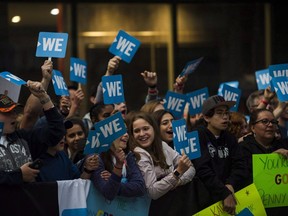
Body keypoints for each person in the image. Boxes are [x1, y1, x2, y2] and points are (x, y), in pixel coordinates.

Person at [128, 111, 195, 216]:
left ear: (154, 129)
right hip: (154, 210)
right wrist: (177, 173)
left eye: (146, 129)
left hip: (173, 207)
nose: (142, 134)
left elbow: (191, 168)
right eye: (137, 131)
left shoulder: (162, 145)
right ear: (132, 135)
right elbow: (153, 192)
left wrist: (177, 181)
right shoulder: (139, 154)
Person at [0, 80, 65, 185]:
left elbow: (56, 132)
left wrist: (43, 97)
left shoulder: (23, 138)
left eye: (14, 111)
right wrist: (20, 175)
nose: (14, 116)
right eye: (7, 112)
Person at [192, 95, 248, 215]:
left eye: (227, 113)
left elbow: (240, 165)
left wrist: (230, 184)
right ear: (207, 117)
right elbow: (202, 169)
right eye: (219, 113)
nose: (225, 117)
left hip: (229, 198)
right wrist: (224, 192)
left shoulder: (230, 138)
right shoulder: (197, 135)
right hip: (204, 203)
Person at [90, 124, 146, 201]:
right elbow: (108, 193)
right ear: (108, 135)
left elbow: (140, 187)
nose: (126, 135)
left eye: (126, 131)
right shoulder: (95, 157)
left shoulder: (128, 155)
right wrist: (118, 166)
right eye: (121, 131)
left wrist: (115, 181)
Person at [239, 108, 288, 184]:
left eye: (273, 122)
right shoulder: (243, 149)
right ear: (253, 128)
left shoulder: (284, 145)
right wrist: (271, 159)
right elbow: (242, 178)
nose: (271, 125)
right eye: (264, 121)